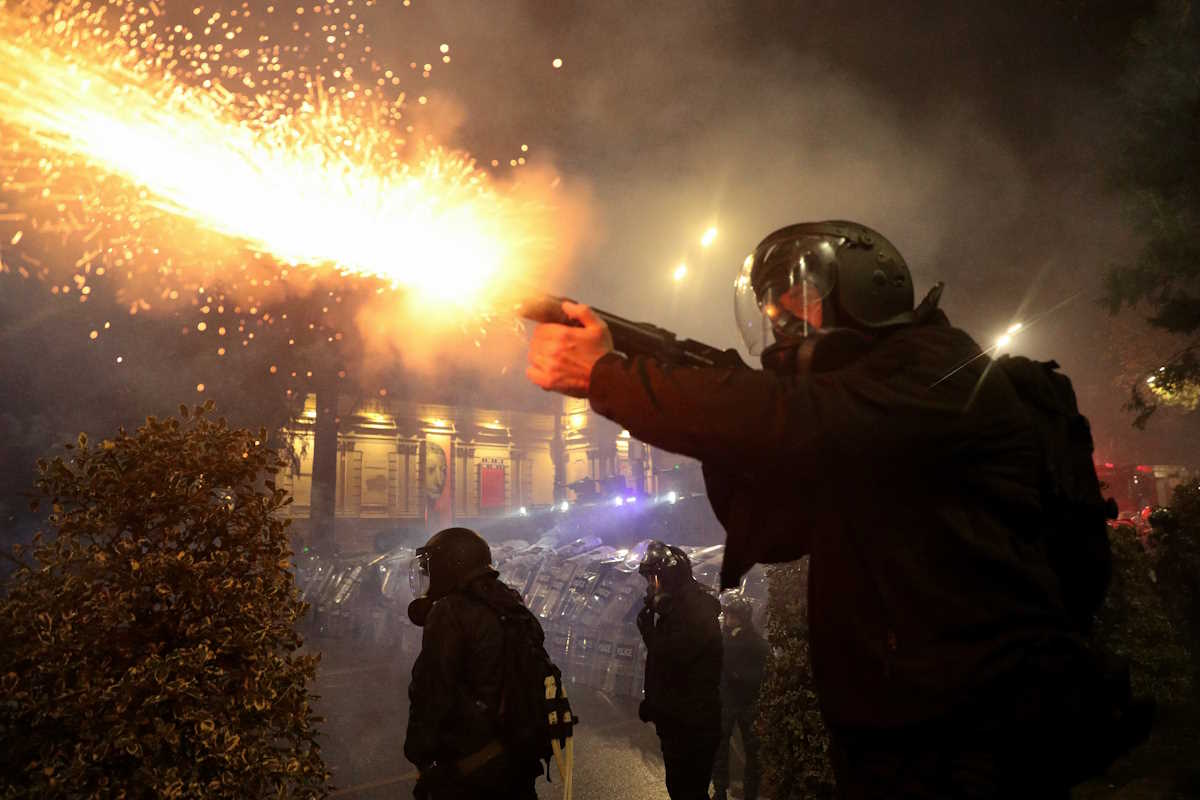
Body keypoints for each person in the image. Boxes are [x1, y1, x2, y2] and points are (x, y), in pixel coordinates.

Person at [526, 220, 1146, 797]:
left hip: (982, 731)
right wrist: (712, 421)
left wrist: (610, 376)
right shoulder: (864, 414)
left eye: (798, 304)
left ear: (865, 295)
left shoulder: (939, 371)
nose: (781, 325)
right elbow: (774, 529)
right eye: (771, 311)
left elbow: (790, 421)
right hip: (896, 731)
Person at [403, 527, 542, 800]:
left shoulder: (450, 611)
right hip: (515, 758)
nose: (429, 577)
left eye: (433, 568)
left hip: (470, 768)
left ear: (450, 565)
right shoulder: (506, 601)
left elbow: (432, 692)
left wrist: (420, 752)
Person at [636, 540, 723, 800]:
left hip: (693, 724)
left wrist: (649, 632)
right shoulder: (676, 613)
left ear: (670, 578)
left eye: (654, 578)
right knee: (680, 790)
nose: (651, 586)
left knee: (689, 792)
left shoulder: (695, 612)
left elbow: (674, 658)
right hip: (678, 722)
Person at [712, 592, 767, 800]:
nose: (728, 620)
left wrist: (740, 676)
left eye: (732, 616)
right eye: (727, 616)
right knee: (720, 749)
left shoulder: (756, 643)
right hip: (726, 701)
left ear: (743, 618)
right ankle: (719, 790)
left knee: (752, 750)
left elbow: (761, 671)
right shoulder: (723, 639)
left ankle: (750, 792)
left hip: (746, 702)